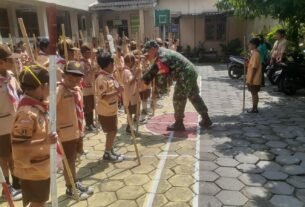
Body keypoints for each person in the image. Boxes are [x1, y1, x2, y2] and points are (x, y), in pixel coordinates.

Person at [11, 65, 57, 207]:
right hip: (32, 168)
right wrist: (44, 141)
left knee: (40, 200)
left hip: (40, 165)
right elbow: (18, 144)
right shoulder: (27, 113)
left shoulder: (38, 105)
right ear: (41, 87)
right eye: (48, 86)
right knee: (38, 202)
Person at [142, 40, 212, 131]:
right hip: (190, 72)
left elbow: (160, 72)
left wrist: (156, 89)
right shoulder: (161, 53)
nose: (147, 54)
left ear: (153, 49)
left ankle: (179, 124)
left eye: (147, 51)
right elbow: (155, 68)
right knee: (194, 96)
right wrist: (145, 79)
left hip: (185, 75)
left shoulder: (162, 56)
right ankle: (206, 119)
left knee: (178, 98)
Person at [57, 61, 94, 199]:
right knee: (69, 161)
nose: (74, 82)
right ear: (64, 75)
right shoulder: (59, 90)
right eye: (70, 79)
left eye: (78, 79)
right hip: (65, 133)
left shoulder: (77, 89)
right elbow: (50, 109)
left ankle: (74, 181)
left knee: (74, 159)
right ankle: (70, 188)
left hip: (77, 130)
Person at [0, 44, 22, 201]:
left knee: (14, 155)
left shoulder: (11, 77)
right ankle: (5, 186)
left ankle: (17, 182)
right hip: (1, 127)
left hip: (14, 124)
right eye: (10, 60)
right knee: (4, 157)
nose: (13, 62)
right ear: (1, 62)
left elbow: (18, 95)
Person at [95, 52, 124, 162]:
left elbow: (116, 87)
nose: (113, 66)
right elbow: (104, 97)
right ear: (107, 65)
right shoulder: (102, 78)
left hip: (112, 110)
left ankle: (110, 149)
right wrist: (118, 92)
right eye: (112, 64)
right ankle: (107, 153)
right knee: (111, 131)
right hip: (106, 111)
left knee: (114, 130)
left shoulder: (110, 76)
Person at [122, 53, 141, 133]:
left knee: (133, 110)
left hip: (132, 93)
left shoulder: (129, 69)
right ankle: (129, 127)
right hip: (129, 95)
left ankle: (131, 125)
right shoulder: (126, 71)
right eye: (133, 62)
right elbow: (129, 82)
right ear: (129, 62)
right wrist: (136, 75)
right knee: (129, 111)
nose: (133, 64)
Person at [80, 44, 96, 132]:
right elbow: (82, 74)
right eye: (88, 52)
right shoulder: (81, 63)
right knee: (87, 107)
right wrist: (90, 70)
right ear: (83, 53)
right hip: (86, 88)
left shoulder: (89, 61)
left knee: (92, 106)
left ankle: (91, 122)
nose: (90, 53)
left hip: (91, 86)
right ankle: (88, 124)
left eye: (90, 52)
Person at [246, 38, 262, 113]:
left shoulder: (256, 54)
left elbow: (255, 68)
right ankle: (254, 107)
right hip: (253, 78)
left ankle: (255, 108)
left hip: (254, 79)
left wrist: (251, 80)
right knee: (253, 93)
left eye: (250, 44)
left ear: (254, 45)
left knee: (254, 93)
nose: (249, 45)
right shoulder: (254, 53)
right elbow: (251, 65)